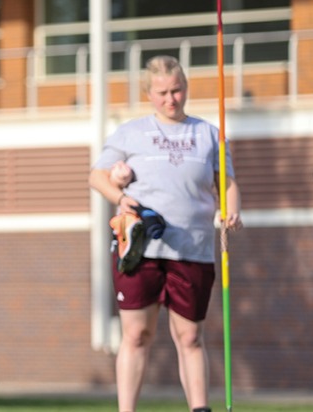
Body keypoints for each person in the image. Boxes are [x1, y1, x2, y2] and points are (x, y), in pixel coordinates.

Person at [88, 55, 242, 412]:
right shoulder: (130, 133)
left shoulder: (209, 134)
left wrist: (231, 210)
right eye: (162, 93)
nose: (171, 99)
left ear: (186, 88)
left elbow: (228, 183)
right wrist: (121, 197)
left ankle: (200, 409)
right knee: (137, 335)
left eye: (177, 90)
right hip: (139, 249)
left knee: (190, 336)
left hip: (194, 250)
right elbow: (97, 176)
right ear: (149, 94)